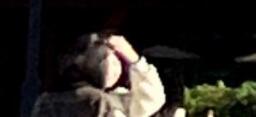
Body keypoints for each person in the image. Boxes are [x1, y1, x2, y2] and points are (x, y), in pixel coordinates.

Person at [30, 35, 167, 117]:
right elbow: (150, 101)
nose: (117, 68)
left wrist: (133, 58)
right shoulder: (98, 102)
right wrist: (134, 60)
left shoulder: (45, 100)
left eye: (117, 60)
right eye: (111, 63)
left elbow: (151, 101)